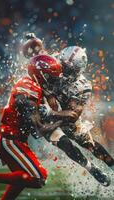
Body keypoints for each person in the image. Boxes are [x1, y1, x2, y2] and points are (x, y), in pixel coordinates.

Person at [24, 33, 114, 171]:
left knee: (87, 142)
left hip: (63, 113)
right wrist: (33, 42)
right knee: (62, 141)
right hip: (45, 97)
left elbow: (73, 115)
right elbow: (39, 55)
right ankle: (91, 168)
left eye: (67, 68)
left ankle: (111, 165)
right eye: (63, 65)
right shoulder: (54, 59)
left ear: (77, 71)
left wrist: (51, 112)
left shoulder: (82, 86)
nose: (63, 70)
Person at [0, 55, 63, 200]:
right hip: (11, 141)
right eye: (50, 76)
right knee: (38, 178)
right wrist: (61, 120)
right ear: (40, 74)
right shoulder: (29, 88)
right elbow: (39, 129)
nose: (52, 80)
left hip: (13, 139)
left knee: (21, 179)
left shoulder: (30, 84)